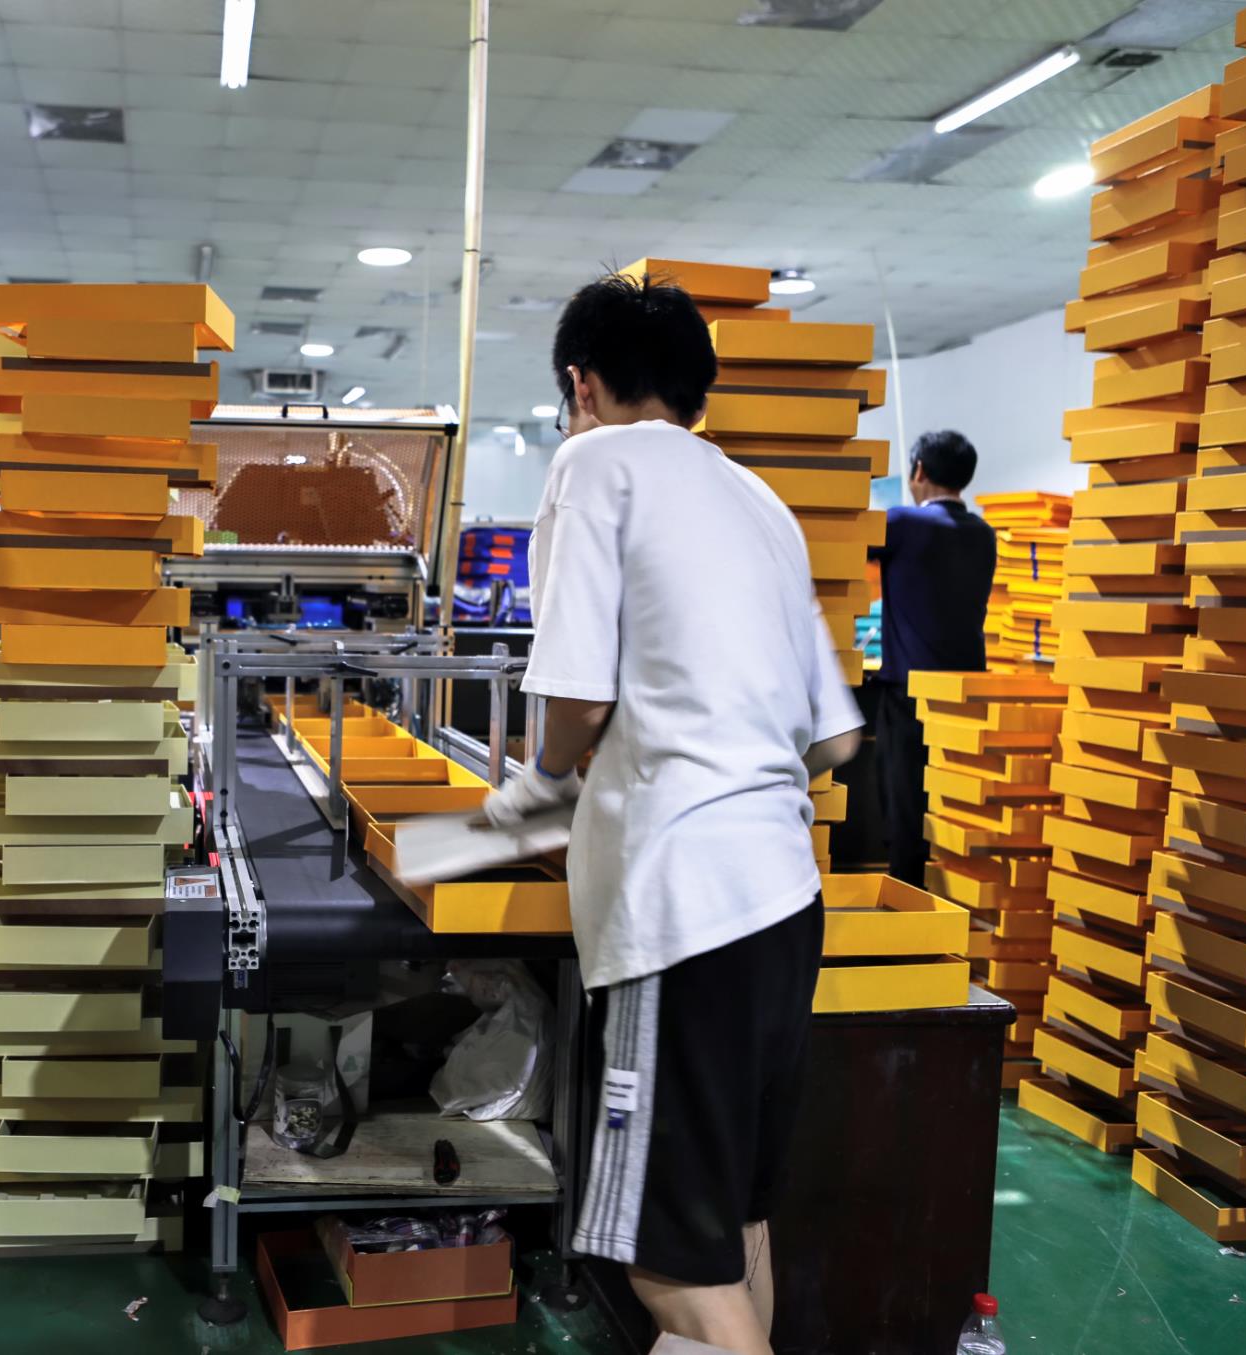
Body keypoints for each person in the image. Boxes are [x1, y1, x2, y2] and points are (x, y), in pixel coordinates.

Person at [476, 273, 864, 1355]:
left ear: (580, 383)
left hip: (682, 917)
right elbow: (826, 736)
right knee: (731, 1225)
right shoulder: (761, 502)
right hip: (783, 903)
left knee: (666, 1265)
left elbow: (578, 699)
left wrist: (538, 788)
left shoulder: (594, 461)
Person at [872, 431, 997, 886]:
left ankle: (905, 908)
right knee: (952, 810)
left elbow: (849, 543)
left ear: (919, 469)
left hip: (909, 693)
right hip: (966, 694)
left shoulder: (904, 523)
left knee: (904, 810)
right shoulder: (984, 534)